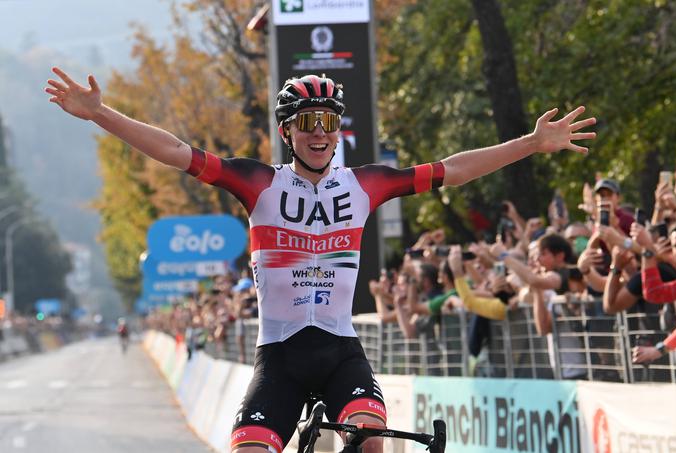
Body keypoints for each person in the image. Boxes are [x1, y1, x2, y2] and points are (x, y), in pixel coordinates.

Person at [46, 67, 596, 453]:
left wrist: (529, 143)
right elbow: (173, 151)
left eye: (329, 123)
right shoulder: (257, 182)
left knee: (368, 436)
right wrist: (101, 115)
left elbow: (453, 169)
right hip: (278, 359)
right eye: (307, 123)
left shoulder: (366, 184)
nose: (319, 134)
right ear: (287, 131)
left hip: (340, 353)